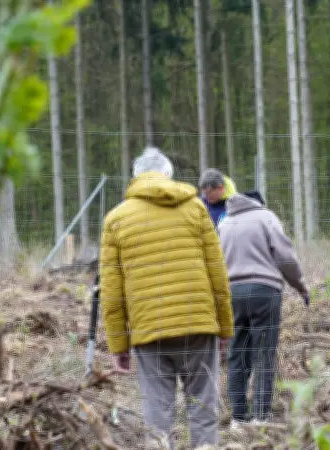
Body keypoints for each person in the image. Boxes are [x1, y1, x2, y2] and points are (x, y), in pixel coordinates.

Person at [99, 147, 234, 449]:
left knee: (157, 416)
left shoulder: (116, 219)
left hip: (149, 329)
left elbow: (111, 291)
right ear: (169, 175)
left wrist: (119, 344)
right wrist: (225, 327)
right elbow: (218, 273)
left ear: (135, 177)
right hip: (198, 324)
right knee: (203, 409)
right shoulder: (196, 209)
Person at [217, 190, 310, 427]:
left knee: (237, 354)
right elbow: (285, 257)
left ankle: (238, 416)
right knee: (264, 353)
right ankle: (260, 415)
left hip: (231, 293)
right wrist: (300, 286)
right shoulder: (266, 217)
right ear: (260, 203)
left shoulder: (224, 223)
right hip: (264, 291)